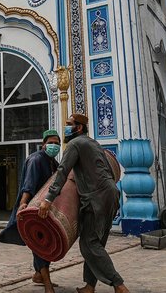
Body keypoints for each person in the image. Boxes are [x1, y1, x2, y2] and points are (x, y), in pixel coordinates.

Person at [38, 114, 130, 293]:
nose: (65, 128)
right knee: (96, 243)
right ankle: (90, 286)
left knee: (88, 244)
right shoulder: (93, 143)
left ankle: (119, 285)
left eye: (68, 124)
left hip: (96, 198)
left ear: (78, 128)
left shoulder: (75, 144)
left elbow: (62, 172)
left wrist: (48, 199)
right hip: (110, 195)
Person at [0, 129, 61, 293]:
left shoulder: (53, 162)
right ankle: (47, 283)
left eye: (57, 143)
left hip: (46, 209)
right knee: (39, 243)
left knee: (44, 242)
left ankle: (38, 275)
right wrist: (23, 203)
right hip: (33, 208)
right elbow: (29, 184)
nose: (54, 146)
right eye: (51, 143)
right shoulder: (36, 160)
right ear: (43, 144)